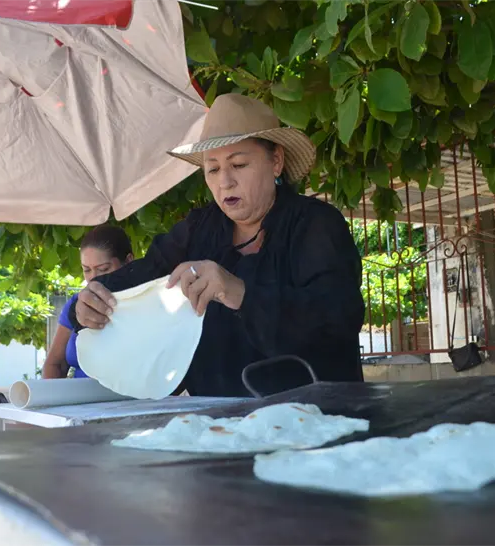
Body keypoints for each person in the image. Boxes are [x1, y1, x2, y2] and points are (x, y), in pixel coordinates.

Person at [69, 93, 365, 397]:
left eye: (239, 164)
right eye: (212, 169)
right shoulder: (198, 230)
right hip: (214, 417)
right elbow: (143, 276)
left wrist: (238, 293)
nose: (225, 182)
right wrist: (89, 302)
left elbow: (338, 318)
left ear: (276, 161)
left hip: (314, 413)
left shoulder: (315, 224)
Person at [42, 225, 133, 379]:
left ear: (129, 261)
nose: (94, 278)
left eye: (103, 269)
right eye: (87, 270)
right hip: (79, 394)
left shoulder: (147, 302)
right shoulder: (76, 304)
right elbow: (55, 364)